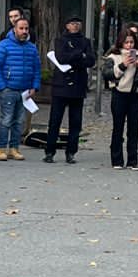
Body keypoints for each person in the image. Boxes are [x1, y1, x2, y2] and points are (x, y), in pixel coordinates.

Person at [98, 30, 138, 169]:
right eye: (127, 42)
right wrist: (123, 65)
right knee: (118, 127)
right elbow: (107, 74)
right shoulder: (113, 57)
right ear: (121, 42)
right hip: (119, 94)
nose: (129, 45)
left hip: (135, 95)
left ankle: (132, 160)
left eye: (132, 42)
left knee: (133, 129)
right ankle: (116, 159)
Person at [43, 14, 94, 164]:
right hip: (61, 86)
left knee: (76, 122)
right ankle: (49, 151)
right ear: (67, 26)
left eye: (78, 23)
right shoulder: (61, 40)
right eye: (72, 23)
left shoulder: (86, 41)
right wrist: (79, 54)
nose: (75, 25)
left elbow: (90, 60)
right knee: (55, 121)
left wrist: (77, 57)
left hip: (78, 85)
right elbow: (61, 58)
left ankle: (71, 152)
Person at [0, 14, 41, 160]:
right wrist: (2, 86)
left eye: (26, 28)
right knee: (6, 120)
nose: (24, 31)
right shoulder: (3, 45)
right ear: (14, 29)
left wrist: (34, 87)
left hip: (25, 90)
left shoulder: (31, 48)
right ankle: (1, 149)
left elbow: (36, 68)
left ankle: (14, 148)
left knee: (19, 121)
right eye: (21, 28)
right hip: (9, 89)